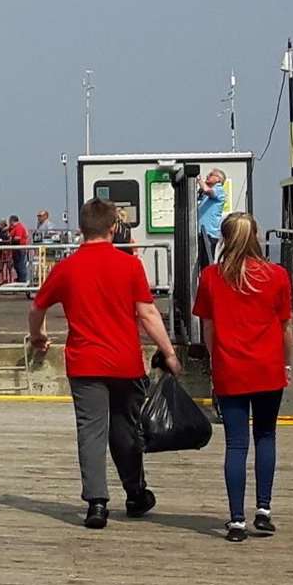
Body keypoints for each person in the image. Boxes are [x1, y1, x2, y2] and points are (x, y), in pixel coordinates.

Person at [28, 197, 183, 529]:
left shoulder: (67, 267)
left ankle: (97, 503)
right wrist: (168, 352)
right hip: (124, 361)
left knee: (91, 431)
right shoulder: (129, 266)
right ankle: (135, 493)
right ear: (114, 227)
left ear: (82, 229)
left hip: (84, 362)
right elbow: (147, 313)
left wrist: (38, 336)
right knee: (126, 429)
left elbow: (37, 307)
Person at [194, 212, 293, 542]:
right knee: (266, 435)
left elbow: (207, 327)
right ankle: (263, 511)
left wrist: (214, 361)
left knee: (236, 444)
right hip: (268, 368)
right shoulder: (276, 275)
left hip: (230, 368)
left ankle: (236, 520)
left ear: (223, 238)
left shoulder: (211, 276)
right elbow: (285, 328)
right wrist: (287, 365)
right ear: (256, 236)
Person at [197, 168, 227, 265]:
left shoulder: (219, 189)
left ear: (218, 179)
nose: (207, 176)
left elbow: (208, 190)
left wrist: (199, 180)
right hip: (202, 233)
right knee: (201, 263)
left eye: (211, 175)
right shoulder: (205, 196)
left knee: (206, 263)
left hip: (208, 234)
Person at [7, 214, 31, 284]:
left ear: (12, 221)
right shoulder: (14, 228)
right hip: (16, 250)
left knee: (20, 265)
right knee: (17, 265)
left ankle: (22, 281)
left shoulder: (19, 227)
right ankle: (20, 280)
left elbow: (18, 238)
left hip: (20, 249)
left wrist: (9, 241)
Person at [0, 221, 13, 285]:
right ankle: (0, 281)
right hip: (0, 252)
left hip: (7, 252)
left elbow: (10, 240)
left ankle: (9, 281)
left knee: (9, 267)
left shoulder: (9, 231)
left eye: (1, 224)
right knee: (0, 268)